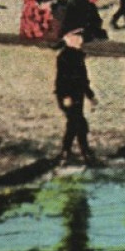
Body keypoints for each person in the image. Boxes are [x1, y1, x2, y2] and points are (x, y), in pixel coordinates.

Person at [53, 26, 97, 166]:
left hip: (77, 95)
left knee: (74, 124)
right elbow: (62, 79)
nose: (80, 40)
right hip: (68, 96)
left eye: (80, 37)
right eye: (76, 37)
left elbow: (83, 80)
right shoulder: (65, 56)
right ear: (67, 39)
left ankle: (67, 151)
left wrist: (90, 95)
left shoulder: (77, 55)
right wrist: (65, 96)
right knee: (79, 124)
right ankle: (84, 152)